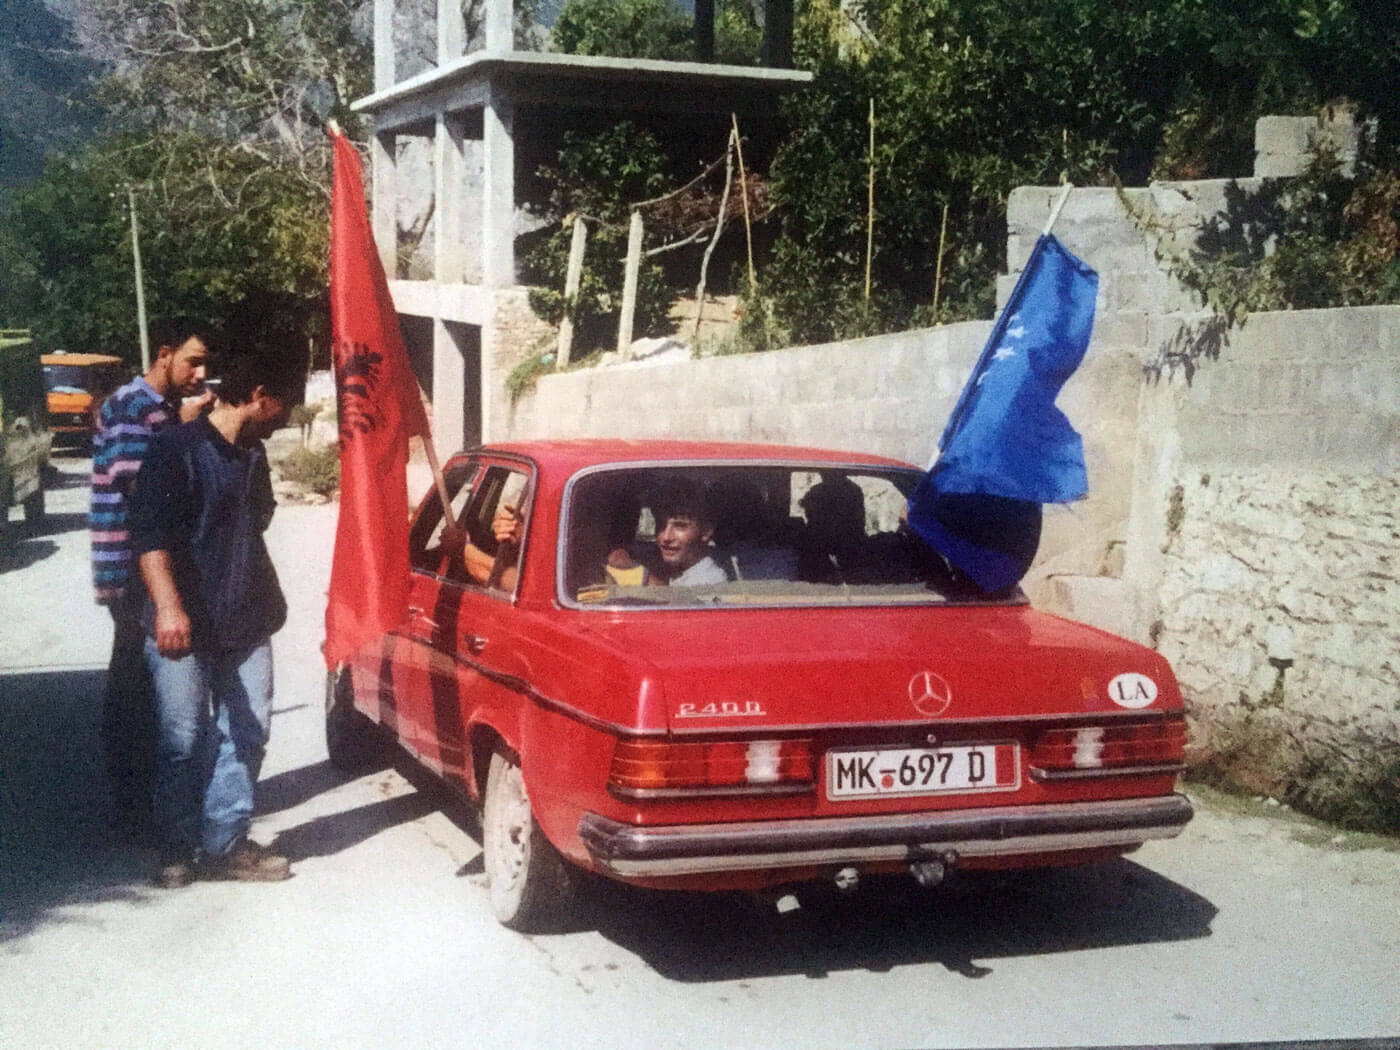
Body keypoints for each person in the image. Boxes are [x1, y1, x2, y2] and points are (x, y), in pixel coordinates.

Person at [128, 346, 297, 887]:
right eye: (283, 406)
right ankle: (175, 846)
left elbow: (257, 521)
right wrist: (169, 607)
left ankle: (224, 842)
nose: (287, 417)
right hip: (181, 621)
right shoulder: (174, 449)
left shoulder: (254, 454)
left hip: (247, 617)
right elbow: (149, 537)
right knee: (182, 736)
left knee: (248, 730)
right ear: (258, 397)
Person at [90, 320, 216, 841]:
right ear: (164, 355)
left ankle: (146, 801)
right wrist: (183, 429)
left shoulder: (161, 411)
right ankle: (132, 807)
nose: (200, 373)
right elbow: (138, 479)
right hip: (129, 569)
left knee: (148, 687)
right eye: (193, 361)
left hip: (151, 563)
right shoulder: (130, 406)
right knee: (135, 687)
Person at [648, 477, 726, 586]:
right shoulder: (668, 571)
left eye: (679, 526)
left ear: (706, 532)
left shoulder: (710, 582)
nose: (666, 537)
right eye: (661, 525)